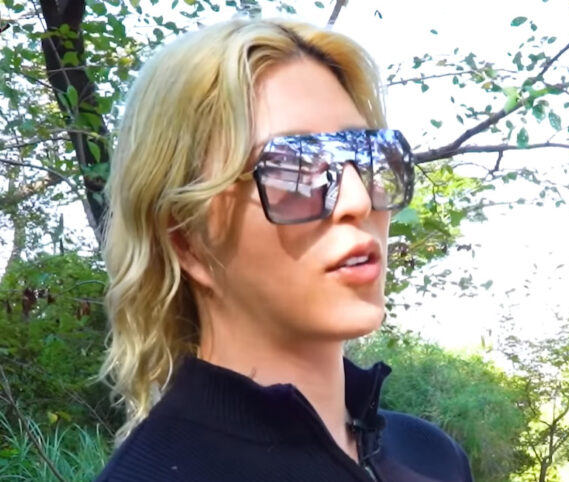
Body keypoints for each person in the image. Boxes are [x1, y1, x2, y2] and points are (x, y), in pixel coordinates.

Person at [93, 15, 474, 482]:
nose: (357, 200)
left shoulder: (431, 455)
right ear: (187, 240)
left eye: (369, 156)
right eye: (294, 170)